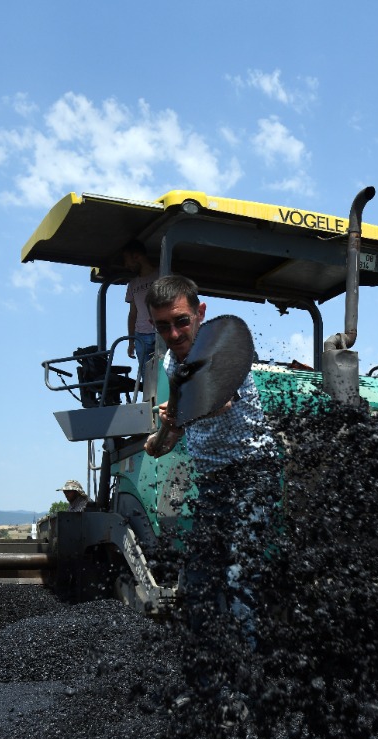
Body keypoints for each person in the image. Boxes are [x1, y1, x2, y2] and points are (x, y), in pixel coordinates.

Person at [142, 274, 279, 637]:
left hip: (254, 474)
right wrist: (158, 440)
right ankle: (206, 677)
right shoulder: (173, 363)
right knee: (199, 580)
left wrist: (177, 412)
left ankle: (247, 678)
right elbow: (173, 434)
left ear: (200, 313)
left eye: (181, 321)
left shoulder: (220, 347)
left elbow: (220, 402)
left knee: (238, 573)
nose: (173, 334)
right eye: (162, 326)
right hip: (215, 484)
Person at [123, 242, 158, 368]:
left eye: (127, 260)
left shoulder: (163, 275)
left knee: (167, 374)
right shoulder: (133, 284)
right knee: (146, 376)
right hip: (141, 336)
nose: (126, 265)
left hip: (162, 331)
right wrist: (131, 340)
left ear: (137, 256)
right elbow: (133, 314)